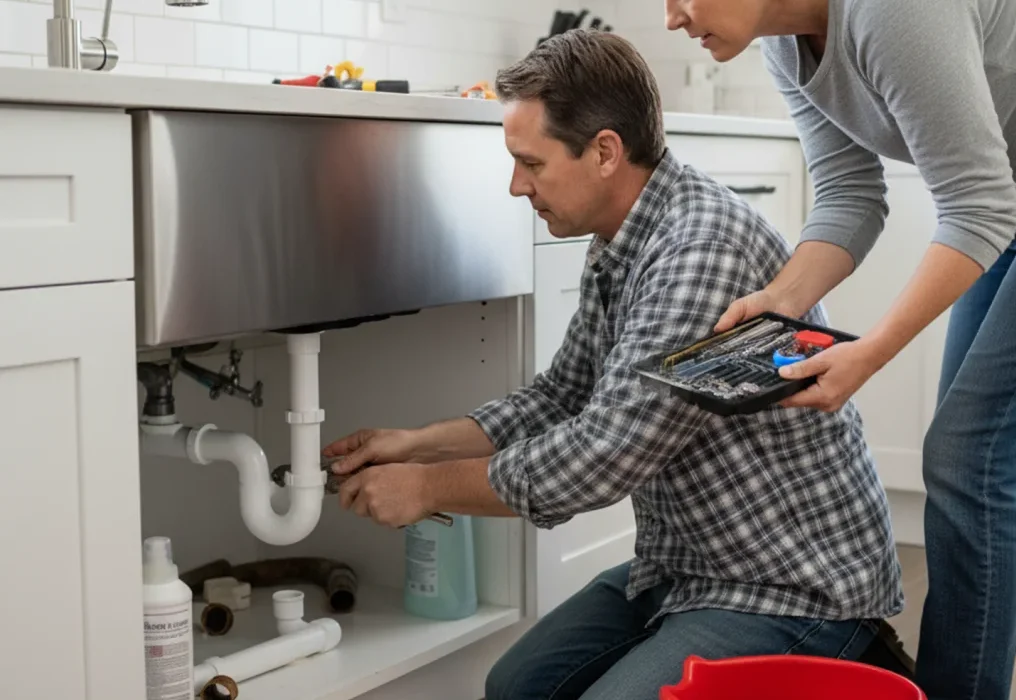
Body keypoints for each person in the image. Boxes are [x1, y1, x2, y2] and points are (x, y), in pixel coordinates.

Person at [323, 29, 904, 700]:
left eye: (531, 163)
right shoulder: (622, 239)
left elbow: (605, 455)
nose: (516, 186)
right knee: (514, 686)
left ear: (604, 151)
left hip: (791, 585)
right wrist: (417, 445)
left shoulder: (698, 249)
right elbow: (563, 397)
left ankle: (859, 659)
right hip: (686, 565)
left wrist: (425, 490)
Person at [662, 1, 1016, 698]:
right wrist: (780, 299)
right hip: (1009, 204)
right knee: (972, 465)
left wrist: (871, 351)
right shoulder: (783, 42)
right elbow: (850, 192)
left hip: (997, 205)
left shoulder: (893, 10)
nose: (672, 16)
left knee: (969, 460)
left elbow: (977, 206)